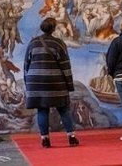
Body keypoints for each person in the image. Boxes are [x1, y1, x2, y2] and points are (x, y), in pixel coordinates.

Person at [23, 17, 78, 148]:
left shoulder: (33, 43)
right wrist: (70, 85)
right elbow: (65, 66)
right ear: (53, 29)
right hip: (55, 82)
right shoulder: (58, 43)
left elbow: (26, 64)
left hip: (35, 82)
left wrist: (28, 84)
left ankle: (45, 140)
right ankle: (71, 137)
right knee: (64, 109)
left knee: (42, 110)